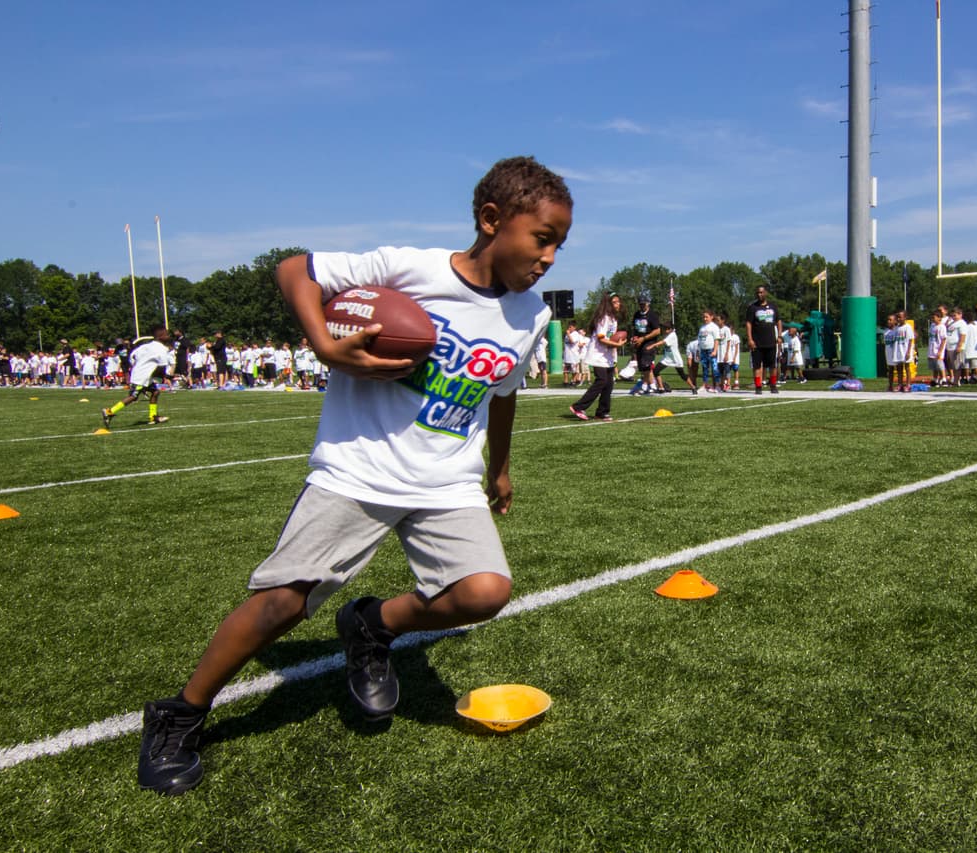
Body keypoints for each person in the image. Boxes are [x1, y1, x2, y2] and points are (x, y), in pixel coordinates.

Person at [136, 155, 571, 796]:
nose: (551, 257)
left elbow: (501, 392)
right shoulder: (410, 268)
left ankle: (373, 626)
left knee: (484, 592)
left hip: (446, 480)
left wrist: (499, 468)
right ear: (491, 219)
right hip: (357, 469)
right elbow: (294, 270)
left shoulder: (530, 315)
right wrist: (322, 343)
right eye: (543, 237)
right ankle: (179, 713)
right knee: (282, 603)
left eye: (560, 243)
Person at [101, 327, 175, 427]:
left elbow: (132, 357)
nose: (168, 336)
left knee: (155, 392)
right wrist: (163, 378)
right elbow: (162, 367)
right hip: (142, 377)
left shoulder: (145, 346)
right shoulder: (161, 349)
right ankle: (109, 411)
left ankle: (153, 417)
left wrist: (138, 366)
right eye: (166, 334)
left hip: (141, 374)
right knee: (133, 397)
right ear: (160, 337)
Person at [570, 292, 622, 420]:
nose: (618, 304)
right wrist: (617, 344)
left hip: (607, 355)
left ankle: (602, 412)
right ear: (608, 304)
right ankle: (578, 407)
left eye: (618, 301)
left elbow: (609, 338)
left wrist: (615, 345)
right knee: (602, 381)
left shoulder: (613, 319)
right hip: (597, 354)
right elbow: (601, 338)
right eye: (615, 302)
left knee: (609, 383)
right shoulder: (604, 318)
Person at [745, 286, 782, 394]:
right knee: (757, 365)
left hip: (771, 341)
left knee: (772, 365)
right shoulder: (752, 308)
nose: (759, 294)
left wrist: (779, 336)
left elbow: (778, 321)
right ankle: (758, 386)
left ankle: (773, 385)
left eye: (761, 292)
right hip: (757, 342)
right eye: (757, 293)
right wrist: (750, 339)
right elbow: (748, 324)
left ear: (765, 293)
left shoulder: (773, 306)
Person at [651, 322, 697, 394]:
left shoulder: (672, 335)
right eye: (664, 328)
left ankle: (693, 387)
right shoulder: (668, 334)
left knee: (682, 375)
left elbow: (663, 342)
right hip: (667, 358)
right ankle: (661, 388)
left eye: (666, 328)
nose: (665, 330)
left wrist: (654, 345)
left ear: (671, 329)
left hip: (675, 359)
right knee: (655, 371)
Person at [628, 295, 661, 395]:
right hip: (639, 343)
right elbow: (635, 328)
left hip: (649, 342)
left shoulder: (652, 315)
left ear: (648, 303)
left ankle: (645, 386)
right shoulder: (637, 315)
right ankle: (652, 386)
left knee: (646, 364)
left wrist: (644, 338)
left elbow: (657, 331)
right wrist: (634, 337)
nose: (642, 306)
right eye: (640, 304)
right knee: (642, 366)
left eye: (644, 304)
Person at [697, 310, 721, 392]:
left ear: (711, 317)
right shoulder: (702, 327)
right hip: (703, 350)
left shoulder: (714, 327)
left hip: (711, 350)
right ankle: (705, 385)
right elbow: (699, 340)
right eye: (704, 317)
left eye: (706, 317)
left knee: (714, 368)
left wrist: (715, 350)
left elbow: (717, 339)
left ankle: (717, 386)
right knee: (704, 368)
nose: (705, 318)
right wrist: (699, 351)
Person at [927, 309, 947, 387]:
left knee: (940, 365)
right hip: (932, 348)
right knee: (934, 366)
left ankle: (944, 379)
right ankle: (935, 379)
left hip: (938, 349)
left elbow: (943, 339)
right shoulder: (932, 326)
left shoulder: (941, 327)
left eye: (934, 317)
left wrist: (940, 351)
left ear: (939, 318)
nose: (933, 319)